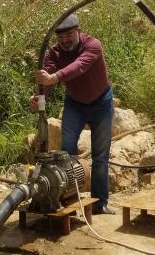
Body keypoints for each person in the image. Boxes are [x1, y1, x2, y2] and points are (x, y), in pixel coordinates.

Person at [29, 14, 115, 215]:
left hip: (101, 103)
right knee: (66, 153)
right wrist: (38, 97)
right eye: (61, 37)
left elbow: (80, 66)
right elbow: (46, 78)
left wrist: (55, 77)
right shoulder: (53, 53)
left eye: (69, 35)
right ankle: (67, 199)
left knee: (100, 156)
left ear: (78, 30)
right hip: (74, 105)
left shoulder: (92, 45)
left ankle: (100, 203)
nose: (66, 40)